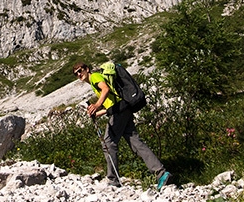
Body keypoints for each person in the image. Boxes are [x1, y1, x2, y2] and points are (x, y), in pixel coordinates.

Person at [73, 61, 172, 189]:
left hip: (119, 112)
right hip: (123, 109)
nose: (79, 74)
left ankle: (113, 180)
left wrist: (96, 105)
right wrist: (98, 113)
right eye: (76, 74)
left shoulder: (95, 77)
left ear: (87, 69)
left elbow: (105, 89)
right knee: (136, 142)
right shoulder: (95, 79)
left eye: (80, 70)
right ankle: (161, 173)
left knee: (108, 143)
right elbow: (111, 102)